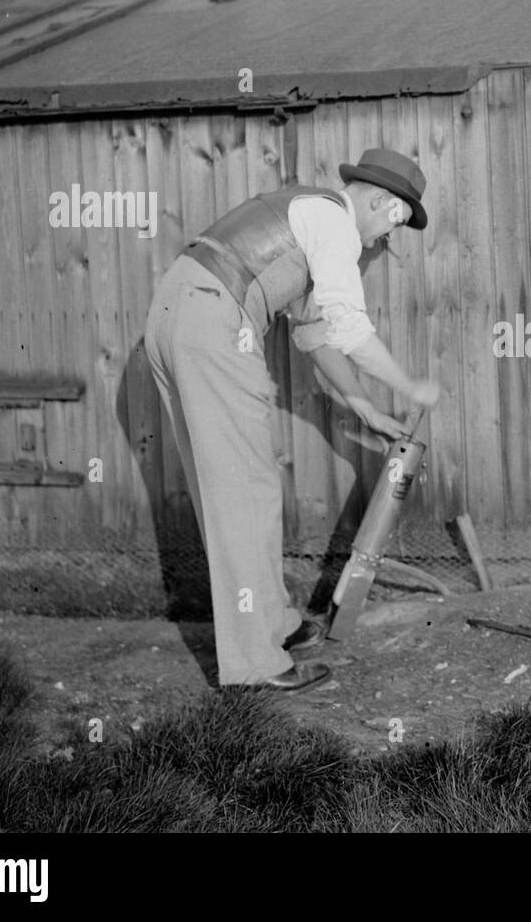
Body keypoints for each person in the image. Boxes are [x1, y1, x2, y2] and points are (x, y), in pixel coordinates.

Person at [144, 149, 441, 693]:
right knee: (247, 492)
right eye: (392, 223)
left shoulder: (306, 217)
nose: (381, 241)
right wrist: (406, 384)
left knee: (234, 489)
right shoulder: (334, 221)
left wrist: (363, 405)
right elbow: (349, 328)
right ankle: (254, 663)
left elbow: (315, 333)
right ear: (380, 201)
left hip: (176, 311)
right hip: (213, 318)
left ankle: (272, 623)